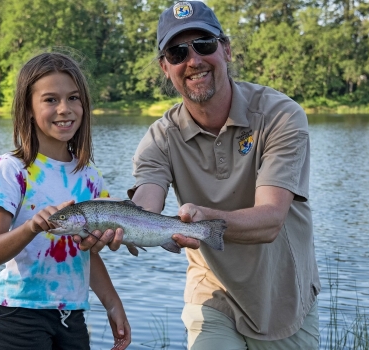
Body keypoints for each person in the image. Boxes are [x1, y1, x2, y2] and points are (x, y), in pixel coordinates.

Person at [75, 1, 321, 349]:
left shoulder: (280, 116)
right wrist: (119, 222)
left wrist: (205, 220)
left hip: (282, 296)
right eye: (177, 52)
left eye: (203, 44)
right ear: (165, 67)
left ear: (226, 49)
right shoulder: (159, 138)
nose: (193, 61)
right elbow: (146, 202)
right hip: (211, 291)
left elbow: (272, 219)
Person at [0, 51, 131, 350]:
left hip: (72, 316)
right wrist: (31, 228)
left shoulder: (90, 177)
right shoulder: (11, 170)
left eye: (74, 98)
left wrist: (113, 304)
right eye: (50, 100)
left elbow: (86, 252)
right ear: (28, 108)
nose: (65, 109)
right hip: (19, 315)